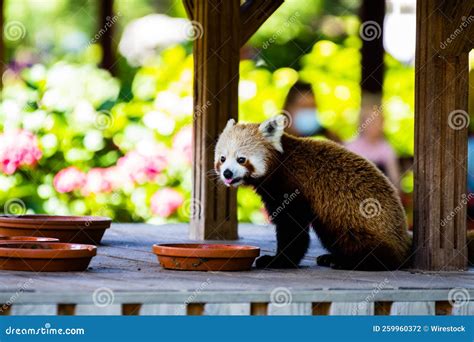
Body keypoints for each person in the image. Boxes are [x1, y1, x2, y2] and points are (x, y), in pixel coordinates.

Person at [345, 101, 400, 188]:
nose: (374, 125)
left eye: (377, 122)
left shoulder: (386, 148)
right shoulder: (351, 146)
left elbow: (395, 179)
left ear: (382, 124)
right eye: (370, 121)